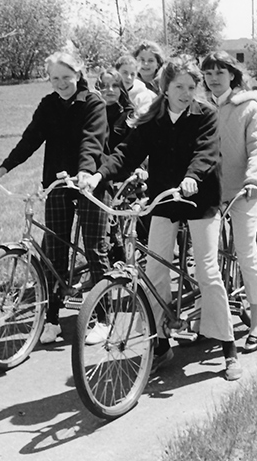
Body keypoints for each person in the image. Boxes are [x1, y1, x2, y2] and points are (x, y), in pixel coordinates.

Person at [78, 57, 242, 381]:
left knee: (208, 272)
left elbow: (206, 152)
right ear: (164, 87)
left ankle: (228, 347)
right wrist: (98, 176)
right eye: (179, 86)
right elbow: (126, 153)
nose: (185, 92)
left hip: (200, 199)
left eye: (191, 87)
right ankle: (161, 343)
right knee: (154, 273)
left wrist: (193, 177)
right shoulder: (152, 120)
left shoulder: (205, 114)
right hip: (164, 200)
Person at [0, 43, 109, 345]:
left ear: (78, 73)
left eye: (66, 77)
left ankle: (103, 317)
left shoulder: (93, 103)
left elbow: (92, 142)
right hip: (57, 183)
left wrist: (84, 172)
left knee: (95, 248)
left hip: (89, 183)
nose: (61, 84)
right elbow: (30, 139)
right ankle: (51, 318)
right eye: (54, 79)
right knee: (53, 250)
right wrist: (3, 168)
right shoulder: (48, 104)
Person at [201, 51, 257, 353]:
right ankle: (215, 320)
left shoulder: (249, 108)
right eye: (208, 73)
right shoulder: (199, 107)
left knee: (245, 252)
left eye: (220, 72)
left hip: (244, 191)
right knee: (206, 259)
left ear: (232, 75)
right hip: (209, 193)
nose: (214, 78)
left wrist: (254, 179)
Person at [116, 53, 156, 118]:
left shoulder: (143, 96)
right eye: (125, 73)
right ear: (116, 72)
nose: (129, 77)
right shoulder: (109, 91)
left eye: (132, 74)